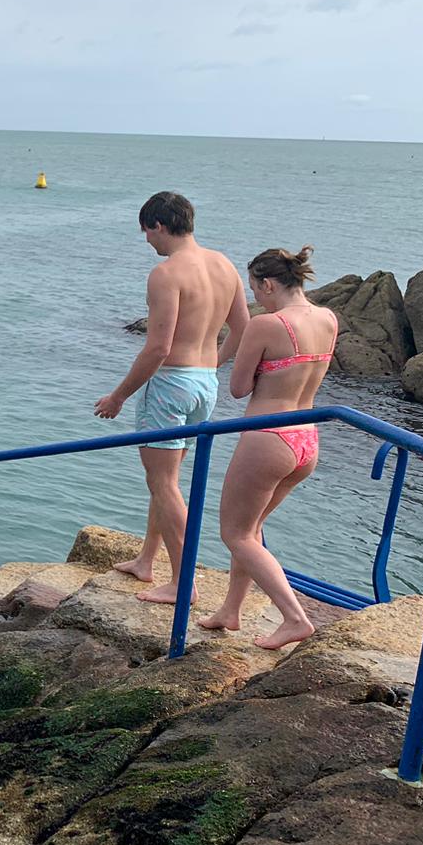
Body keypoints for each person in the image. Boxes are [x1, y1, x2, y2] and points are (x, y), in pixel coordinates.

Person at [94, 191, 249, 604]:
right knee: (167, 482)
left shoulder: (166, 274)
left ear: (159, 225)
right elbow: (242, 328)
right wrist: (213, 364)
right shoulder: (224, 265)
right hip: (204, 384)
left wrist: (118, 396)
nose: (147, 241)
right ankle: (147, 561)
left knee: (162, 482)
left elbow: (158, 348)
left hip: (169, 385)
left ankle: (184, 583)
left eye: (146, 231)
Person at [199, 247, 336, 650]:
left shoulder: (266, 325)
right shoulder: (328, 318)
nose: (255, 297)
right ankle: (231, 610)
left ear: (269, 284)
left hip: (268, 436)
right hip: (306, 438)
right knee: (252, 527)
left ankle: (295, 618)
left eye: (256, 288)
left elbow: (239, 388)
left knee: (235, 533)